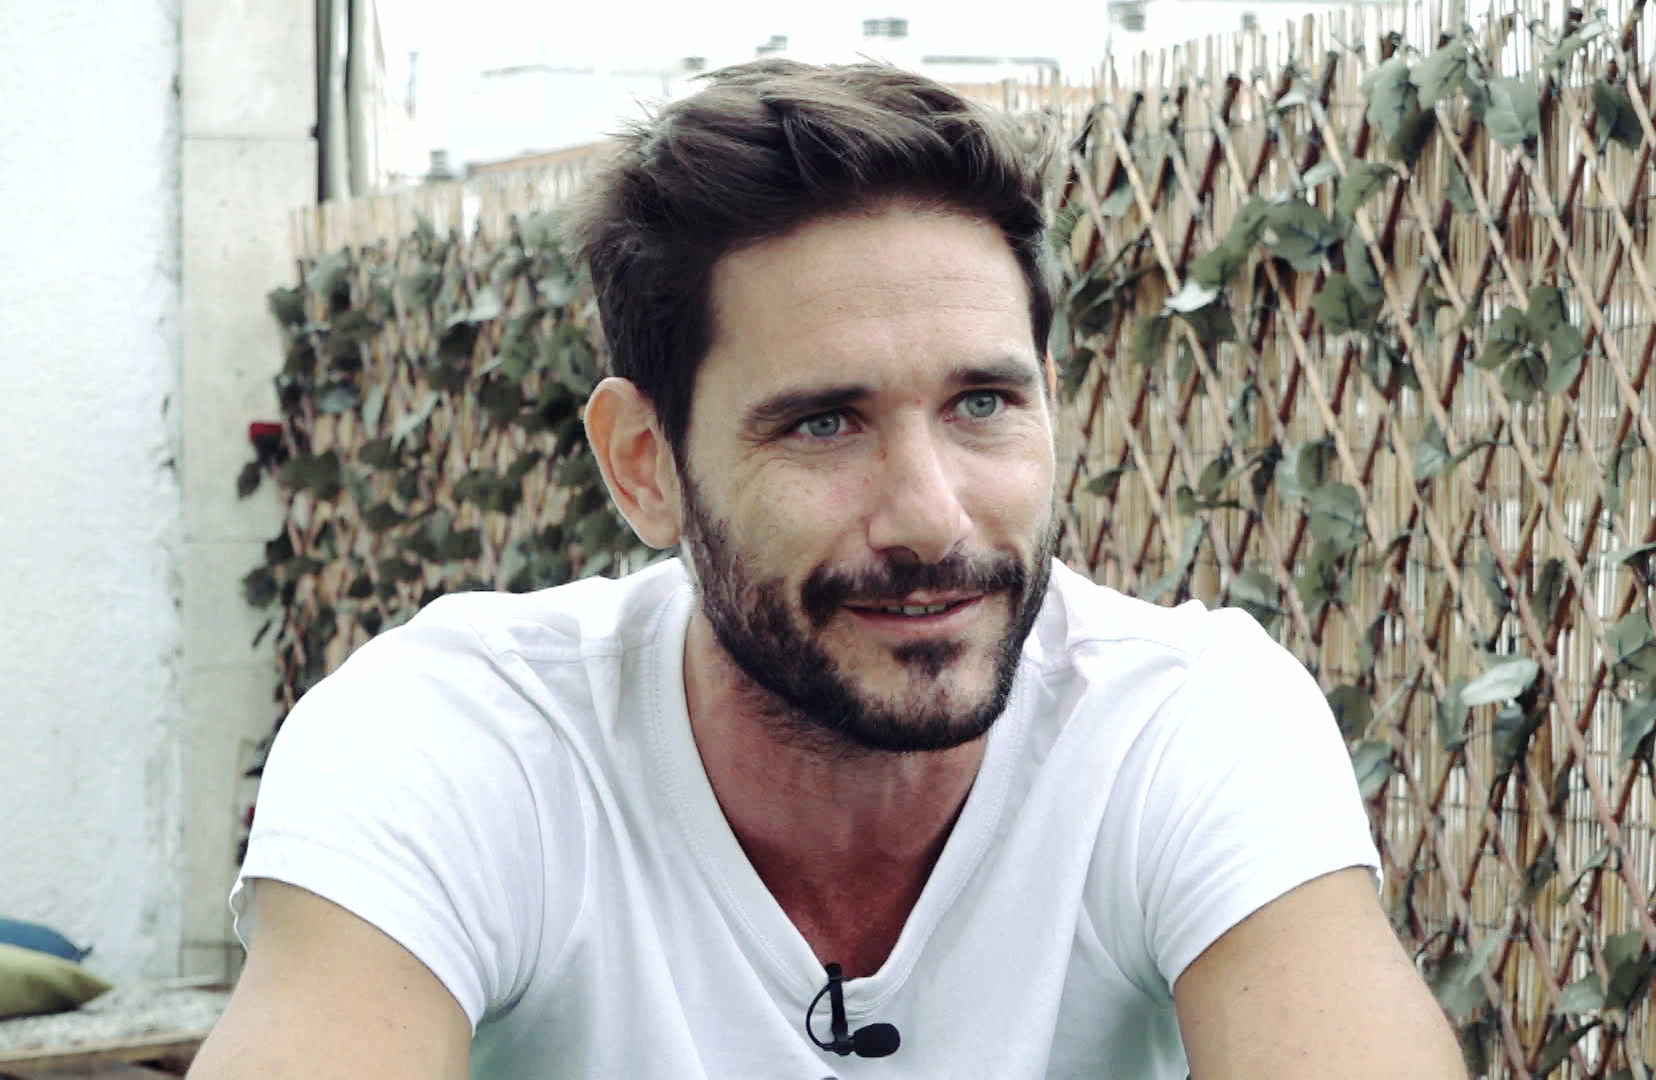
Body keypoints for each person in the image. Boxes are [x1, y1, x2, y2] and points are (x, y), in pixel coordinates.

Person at [189, 60, 1467, 1079]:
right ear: (642, 464)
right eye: (822, 423)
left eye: (981, 405)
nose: (930, 517)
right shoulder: (465, 739)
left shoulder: (1181, 724)